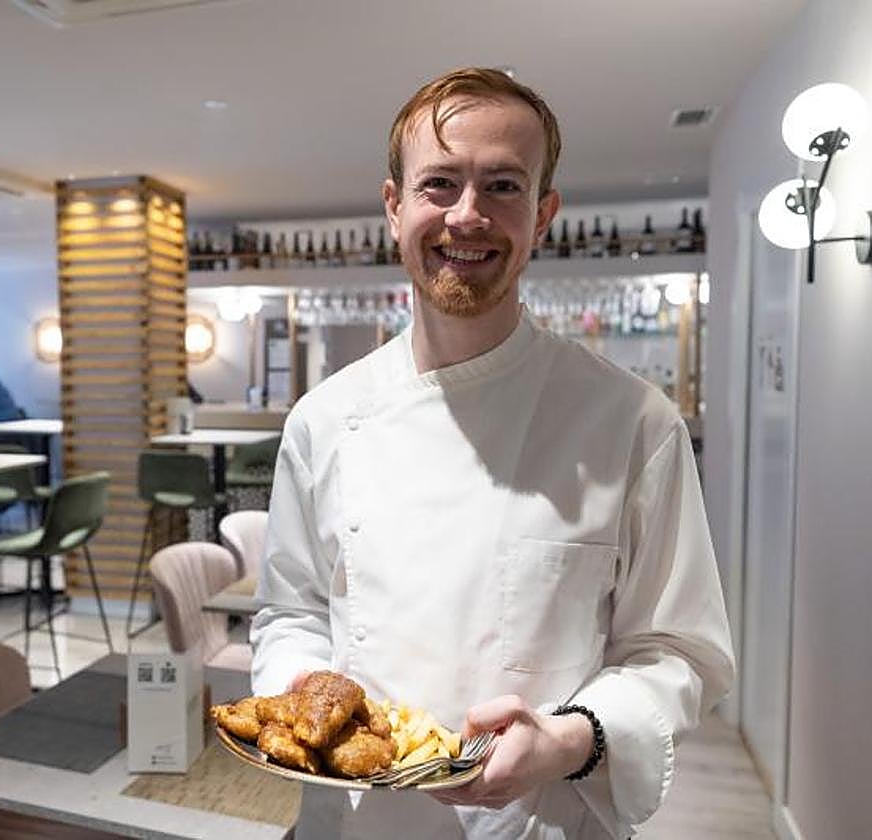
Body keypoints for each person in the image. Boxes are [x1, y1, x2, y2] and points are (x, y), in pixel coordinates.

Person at [250, 68, 734, 839]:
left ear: (542, 215)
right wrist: (309, 691)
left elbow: (679, 652)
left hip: (540, 819)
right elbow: (289, 612)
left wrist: (572, 739)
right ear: (394, 207)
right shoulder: (324, 419)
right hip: (360, 820)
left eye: (502, 186)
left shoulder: (632, 422)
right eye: (439, 183)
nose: (467, 215)